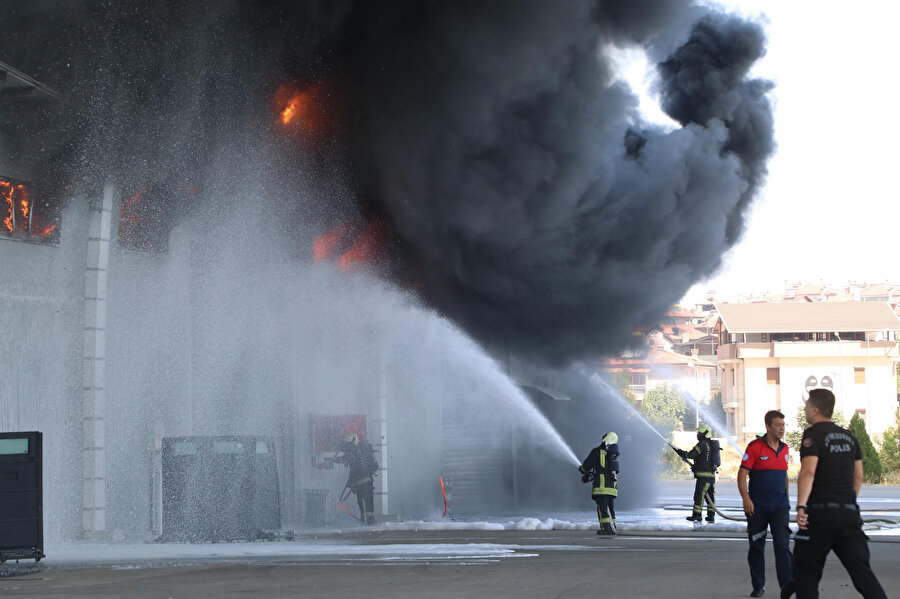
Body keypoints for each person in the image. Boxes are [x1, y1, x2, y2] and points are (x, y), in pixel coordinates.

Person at [784, 388, 886, 599]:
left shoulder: (812, 435)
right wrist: (847, 500)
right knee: (862, 574)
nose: (805, 409)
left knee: (807, 575)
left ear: (815, 409)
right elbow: (858, 478)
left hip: (820, 515)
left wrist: (801, 506)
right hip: (848, 515)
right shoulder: (850, 437)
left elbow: (808, 471)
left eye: (806, 406)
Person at [739, 410, 793, 598]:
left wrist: (786, 500)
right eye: (778, 425)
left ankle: (786, 586)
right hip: (758, 508)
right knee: (756, 547)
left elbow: (784, 476)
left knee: (783, 545)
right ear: (768, 427)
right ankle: (758, 586)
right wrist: (746, 499)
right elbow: (742, 475)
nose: (781, 428)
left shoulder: (785, 449)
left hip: (779, 508)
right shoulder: (754, 447)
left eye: (783, 425)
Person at [579, 432, 620, 535]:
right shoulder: (614, 455)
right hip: (612, 488)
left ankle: (606, 529)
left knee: (602, 509)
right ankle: (612, 527)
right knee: (610, 509)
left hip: (601, 487)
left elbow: (586, 467)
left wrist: (582, 469)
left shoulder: (596, 452)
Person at [676, 423, 718, 523]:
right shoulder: (710, 445)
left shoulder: (702, 444)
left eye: (700, 432)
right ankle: (711, 515)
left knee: (699, 495)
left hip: (703, 476)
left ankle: (697, 515)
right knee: (710, 497)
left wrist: (682, 453)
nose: (698, 434)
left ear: (705, 434)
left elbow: (691, 455)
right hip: (711, 476)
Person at [335, 432, 378, 525]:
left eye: (348, 444)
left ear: (353, 442)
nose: (347, 447)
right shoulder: (361, 451)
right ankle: (369, 522)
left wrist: (332, 460)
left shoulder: (356, 452)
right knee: (367, 504)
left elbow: (350, 463)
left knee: (364, 504)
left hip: (362, 483)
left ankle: (367, 523)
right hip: (366, 482)